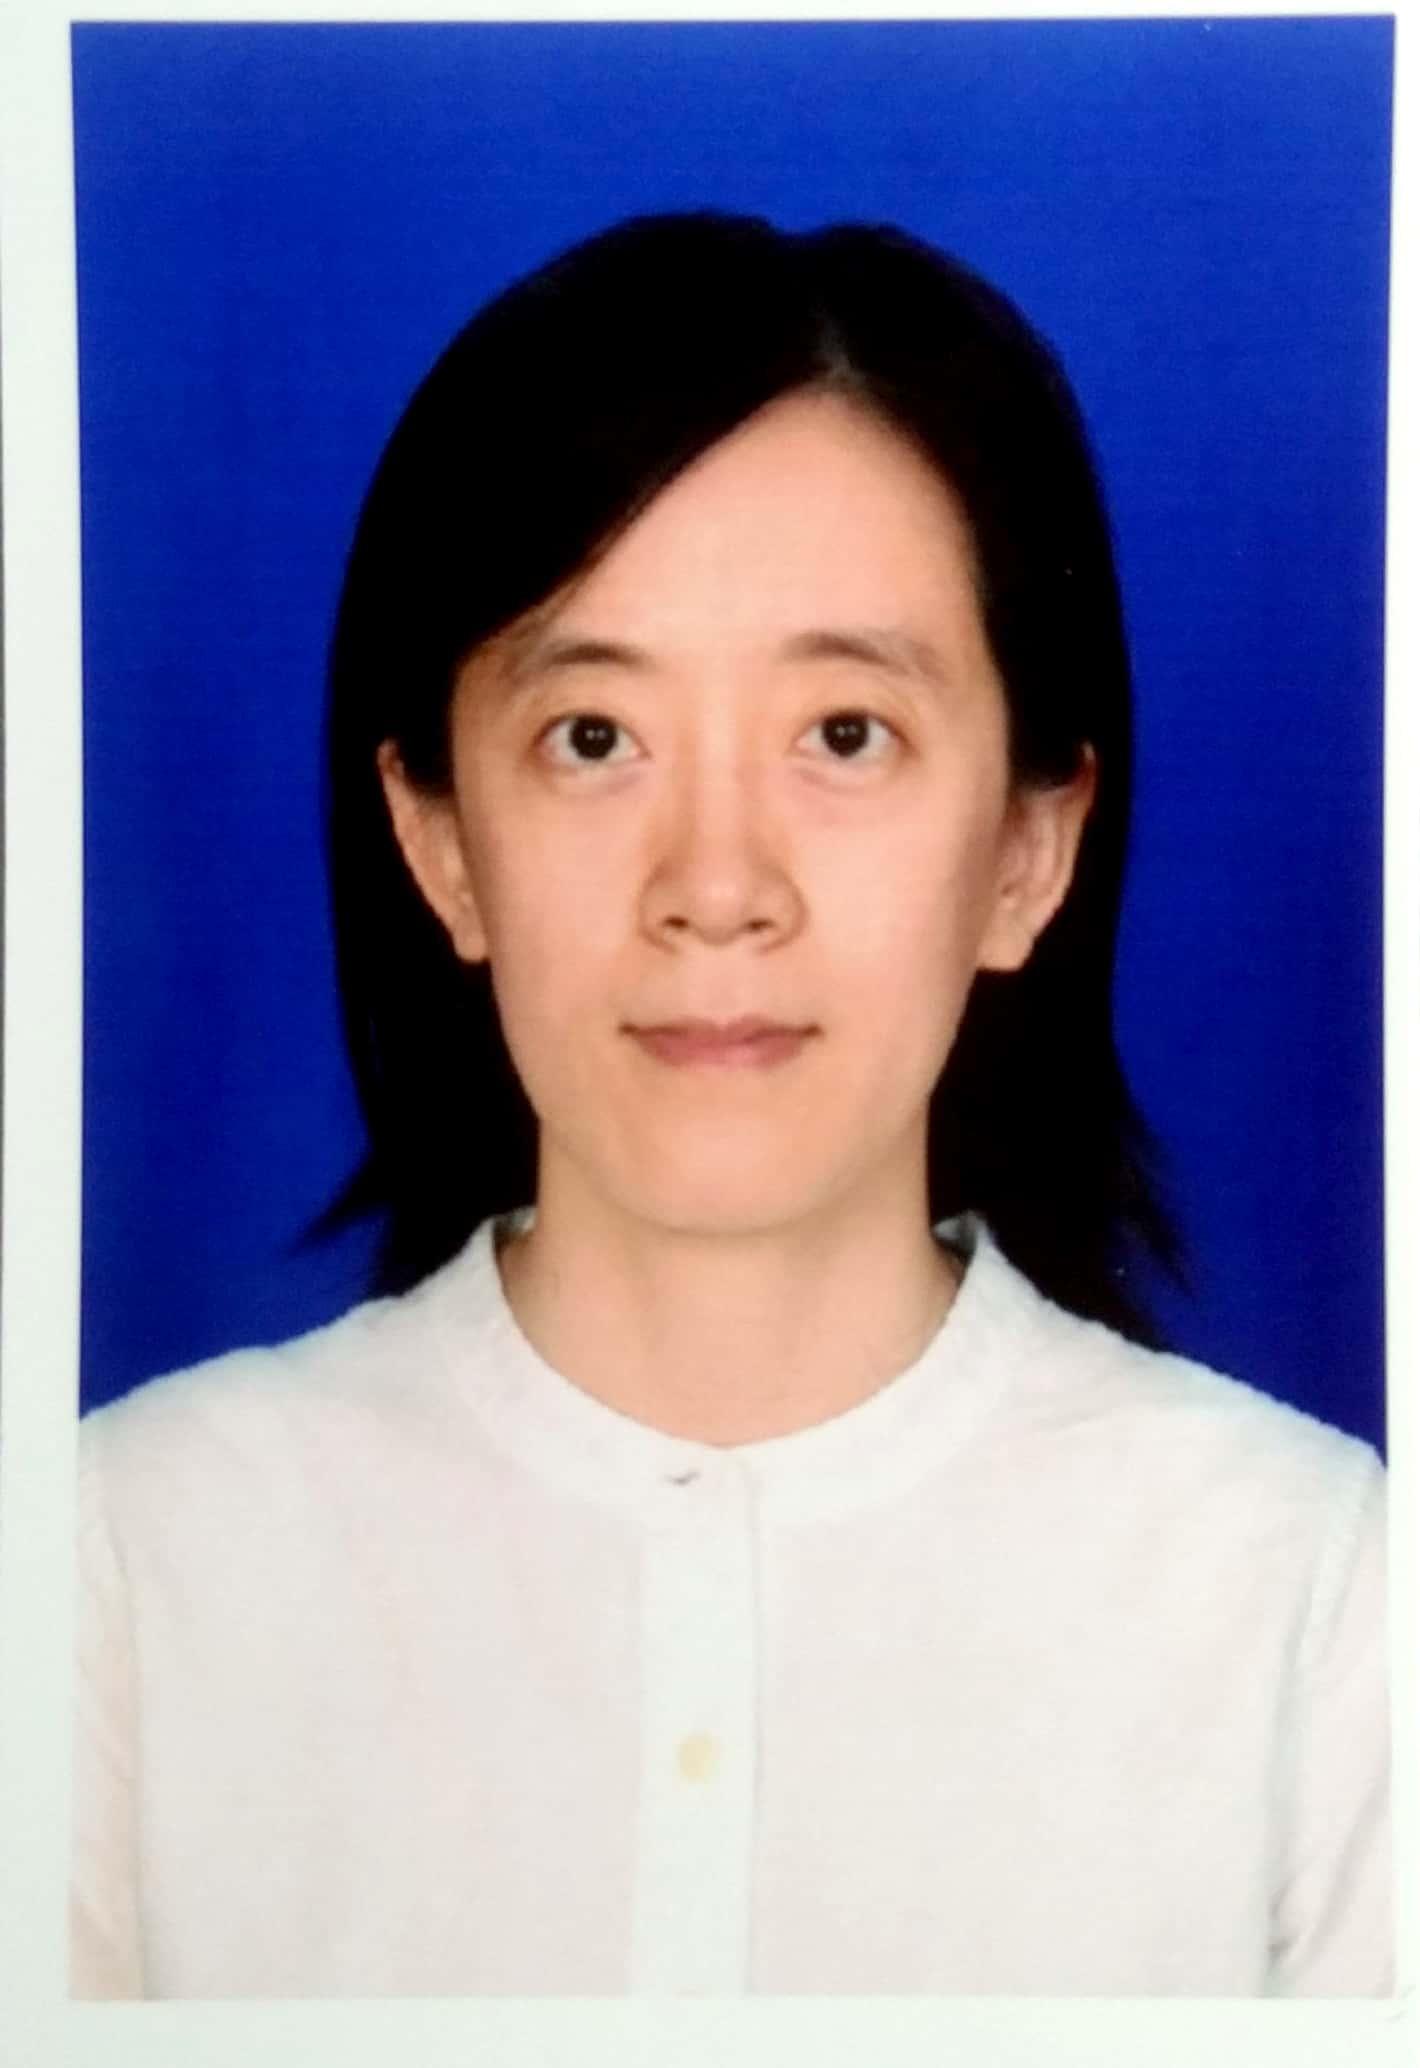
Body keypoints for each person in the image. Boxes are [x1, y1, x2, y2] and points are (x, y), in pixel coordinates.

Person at [71, 213, 1389, 1998]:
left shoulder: (1318, 1602)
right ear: (439, 842)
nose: (716, 887)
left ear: (1028, 848)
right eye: (593, 739)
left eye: (845, 735)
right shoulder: (119, 1572)